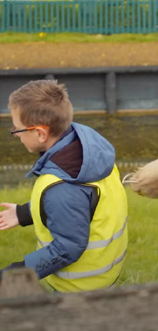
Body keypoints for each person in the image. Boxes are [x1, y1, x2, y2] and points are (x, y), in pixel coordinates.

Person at [0, 80, 128, 292]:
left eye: (17, 129)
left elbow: (67, 248)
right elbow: (83, 207)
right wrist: (24, 213)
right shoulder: (88, 150)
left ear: (41, 133)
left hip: (79, 285)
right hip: (105, 269)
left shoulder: (63, 186)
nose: (16, 134)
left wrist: (14, 275)